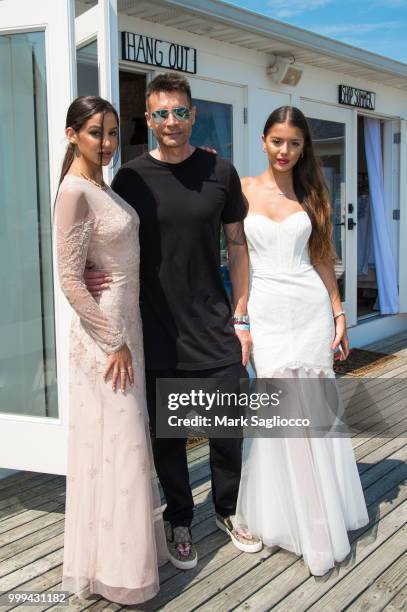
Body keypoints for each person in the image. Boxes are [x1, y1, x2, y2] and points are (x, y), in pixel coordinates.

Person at [84, 73, 262, 569]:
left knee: (228, 429)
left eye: (179, 112)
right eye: (160, 114)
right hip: (156, 326)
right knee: (170, 435)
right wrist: (95, 274)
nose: (170, 122)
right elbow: (110, 239)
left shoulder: (219, 171)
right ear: (149, 119)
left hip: (214, 323)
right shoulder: (131, 178)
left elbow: (238, 244)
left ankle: (227, 508)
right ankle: (179, 518)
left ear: (193, 115)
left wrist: (242, 314)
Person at [235, 106, 369, 576]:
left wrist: (338, 311)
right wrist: (241, 316)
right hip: (266, 311)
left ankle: (317, 517)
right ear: (263, 140)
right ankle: (292, 518)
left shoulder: (313, 193)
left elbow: (321, 257)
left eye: (294, 143)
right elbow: (236, 258)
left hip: (308, 308)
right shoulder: (243, 189)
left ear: (304, 147)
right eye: (277, 141)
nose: (284, 151)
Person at [55, 96, 167, 604]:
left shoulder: (103, 186)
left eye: (113, 132)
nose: (106, 142)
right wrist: (113, 340)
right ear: (72, 133)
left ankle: (120, 560)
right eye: (96, 132)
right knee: (119, 446)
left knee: (123, 447)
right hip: (107, 341)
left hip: (128, 328)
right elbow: (70, 282)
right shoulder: (74, 192)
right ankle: (117, 573)